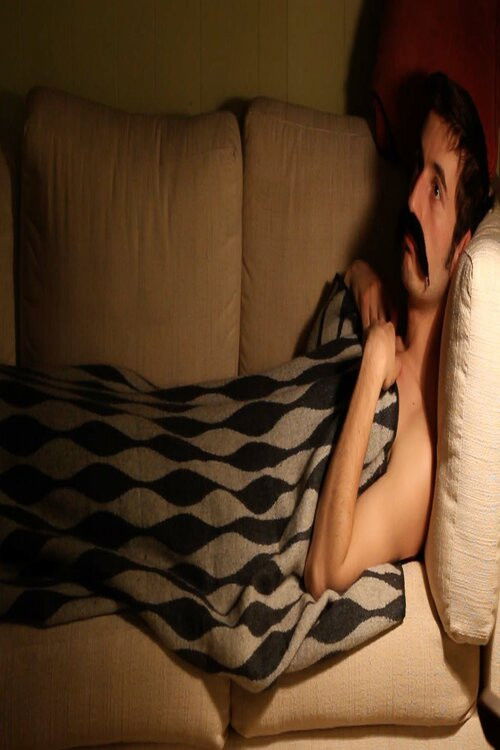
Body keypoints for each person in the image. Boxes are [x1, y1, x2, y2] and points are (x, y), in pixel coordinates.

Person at [304, 72, 493, 598]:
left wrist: (370, 374)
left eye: (436, 189)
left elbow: (324, 572)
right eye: (416, 170)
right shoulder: (380, 306)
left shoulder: (421, 452)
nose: (409, 201)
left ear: (462, 248)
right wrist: (359, 274)